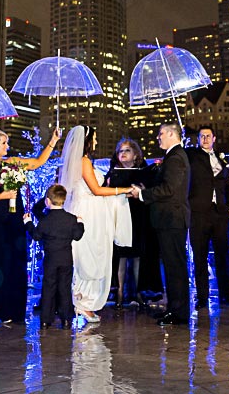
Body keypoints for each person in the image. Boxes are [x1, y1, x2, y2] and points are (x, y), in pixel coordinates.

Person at [0, 127, 61, 324]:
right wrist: (4, 195)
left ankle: (16, 310)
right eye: (4, 143)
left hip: (15, 220)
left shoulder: (12, 163)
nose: (7, 146)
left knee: (16, 263)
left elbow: (38, 163)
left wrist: (53, 141)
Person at [61, 125, 134, 322]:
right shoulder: (83, 161)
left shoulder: (80, 161)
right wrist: (122, 190)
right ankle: (83, 302)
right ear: (86, 141)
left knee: (88, 253)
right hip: (88, 212)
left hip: (88, 209)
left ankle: (81, 300)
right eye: (93, 138)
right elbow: (96, 190)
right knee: (88, 254)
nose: (96, 142)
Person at [130, 123, 191, 325]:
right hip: (170, 219)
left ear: (172, 134)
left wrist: (142, 194)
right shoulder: (174, 157)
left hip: (171, 220)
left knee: (175, 267)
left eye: (161, 134)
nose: (158, 137)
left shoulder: (175, 158)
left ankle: (179, 313)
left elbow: (169, 190)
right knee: (173, 267)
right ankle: (175, 308)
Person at [186, 126, 229, 310]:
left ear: (214, 138)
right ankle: (202, 297)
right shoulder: (192, 155)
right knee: (199, 256)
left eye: (208, 136)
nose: (205, 139)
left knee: (222, 255)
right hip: (199, 213)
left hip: (220, 214)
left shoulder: (222, 159)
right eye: (202, 136)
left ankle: (227, 295)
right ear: (198, 139)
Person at [105, 137, 158, 309]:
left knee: (137, 254)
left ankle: (137, 292)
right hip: (120, 216)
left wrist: (142, 191)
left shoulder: (145, 171)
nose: (123, 153)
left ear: (136, 154)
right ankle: (119, 292)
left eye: (127, 150)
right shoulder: (112, 172)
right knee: (120, 254)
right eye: (120, 151)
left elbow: (151, 191)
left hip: (139, 216)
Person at [23, 184, 85, 328]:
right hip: (66, 260)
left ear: (47, 201)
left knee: (48, 288)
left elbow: (36, 236)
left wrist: (28, 223)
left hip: (50, 260)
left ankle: (45, 320)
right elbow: (77, 236)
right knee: (64, 288)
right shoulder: (71, 219)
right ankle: (66, 320)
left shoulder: (46, 220)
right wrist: (80, 223)